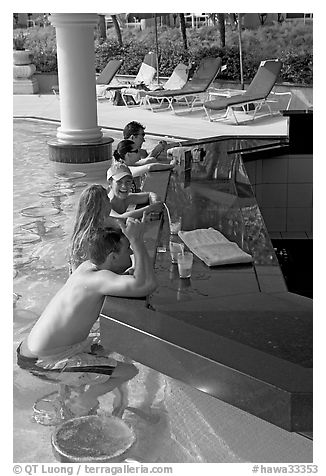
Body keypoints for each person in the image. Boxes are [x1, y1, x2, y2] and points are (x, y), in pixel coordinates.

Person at [17, 217, 157, 417]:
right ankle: (84, 401)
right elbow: (147, 285)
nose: (132, 253)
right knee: (129, 371)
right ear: (112, 257)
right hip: (46, 362)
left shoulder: (87, 267)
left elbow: (126, 279)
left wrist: (130, 266)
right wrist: (137, 241)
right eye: (128, 250)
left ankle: (71, 392)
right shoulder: (99, 280)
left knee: (110, 346)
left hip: (32, 350)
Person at [69, 184, 119, 272]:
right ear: (101, 206)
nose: (110, 202)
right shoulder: (91, 238)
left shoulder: (85, 228)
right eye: (107, 199)